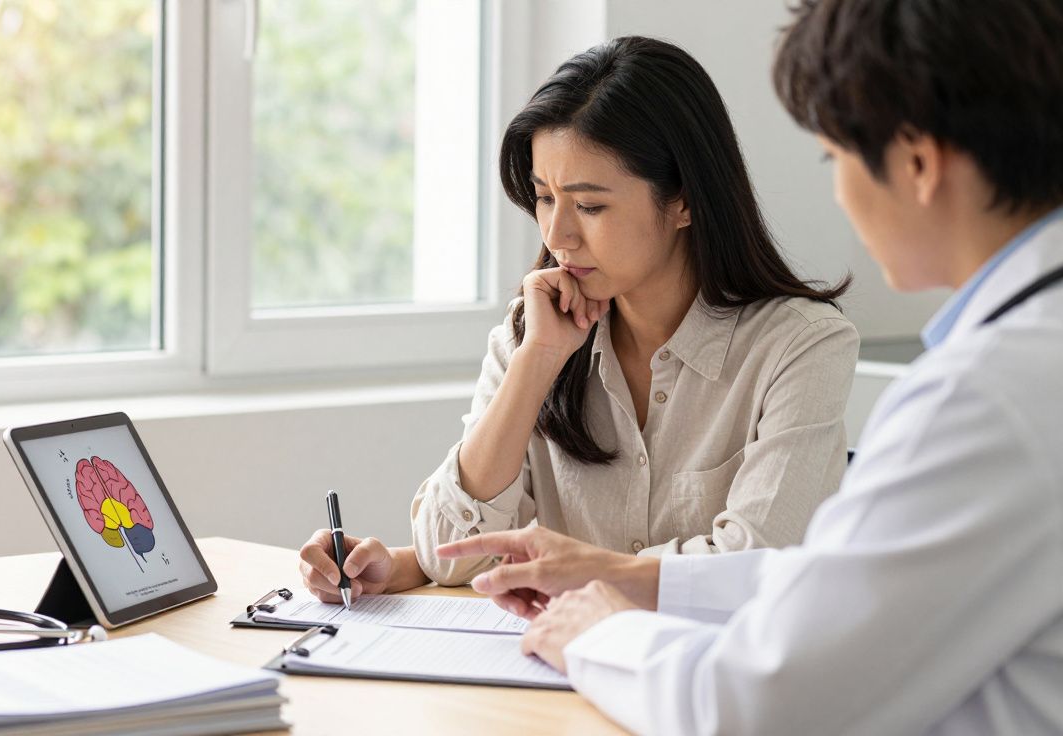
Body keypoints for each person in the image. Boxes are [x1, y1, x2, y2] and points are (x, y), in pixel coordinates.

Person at [439, 0, 1063, 733]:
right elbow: (827, 582)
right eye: (543, 199)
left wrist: (597, 632)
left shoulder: (983, 398)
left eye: (834, 157)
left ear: (917, 164)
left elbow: (766, 702)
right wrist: (621, 575)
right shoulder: (1020, 364)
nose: (558, 234)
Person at [298, 37, 859, 602]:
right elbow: (449, 550)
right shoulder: (533, 332)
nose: (557, 235)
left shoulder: (801, 347)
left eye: (589, 205)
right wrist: (536, 362)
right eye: (544, 198)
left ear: (685, 200)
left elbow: (757, 567)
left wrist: (576, 570)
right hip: (549, 656)